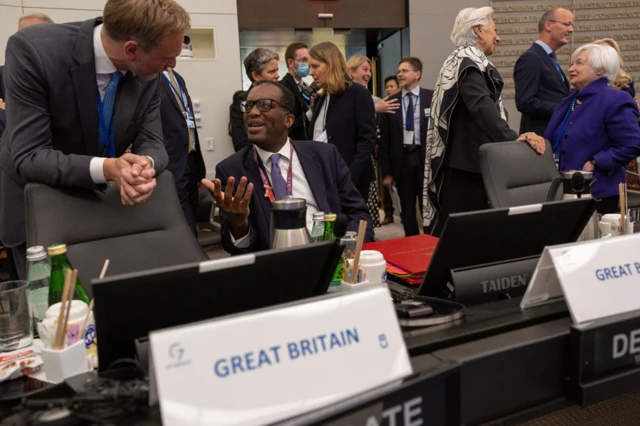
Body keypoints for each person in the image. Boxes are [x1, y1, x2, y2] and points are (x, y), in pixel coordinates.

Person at [0, 0, 187, 278]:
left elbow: (153, 141)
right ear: (132, 49)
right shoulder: (34, 52)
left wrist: (142, 166)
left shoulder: (148, 72)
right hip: (41, 205)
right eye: (166, 58)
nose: (172, 65)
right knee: (59, 315)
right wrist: (108, 169)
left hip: (107, 209)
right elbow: (30, 156)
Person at [202, 81, 374, 255]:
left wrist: (351, 251)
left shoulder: (325, 156)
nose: (252, 113)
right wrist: (239, 223)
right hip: (275, 269)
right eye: (248, 106)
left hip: (331, 258)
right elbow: (237, 248)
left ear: (288, 120)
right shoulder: (232, 170)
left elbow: (357, 213)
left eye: (264, 105)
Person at [423, 7, 545, 237]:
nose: (498, 37)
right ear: (478, 31)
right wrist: (513, 137)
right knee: (464, 239)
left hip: (469, 165)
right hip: (465, 170)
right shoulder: (467, 62)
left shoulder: (465, 61)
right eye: (494, 30)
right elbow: (481, 106)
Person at [545, 44, 640, 214]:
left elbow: (632, 145)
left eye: (579, 63)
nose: (571, 68)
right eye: (572, 63)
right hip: (563, 192)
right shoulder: (568, 101)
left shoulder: (616, 100)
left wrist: (596, 162)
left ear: (600, 69)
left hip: (597, 194)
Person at [308, 42, 377, 210]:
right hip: (322, 179)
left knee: (352, 231)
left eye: (315, 66)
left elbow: (367, 140)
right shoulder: (320, 99)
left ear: (331, 64)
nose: (311, 72)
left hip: (351, 181)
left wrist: (349, 177)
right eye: (310, 67)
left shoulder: (358, 94)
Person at [380, 57, 433, 237]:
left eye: (404, 71)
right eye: (399, 71)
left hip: (425, 160)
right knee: (407, 209)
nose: (400, 74)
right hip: (401, 161)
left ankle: (430, 243)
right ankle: (411, 243)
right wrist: (386, 173)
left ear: (417, 74)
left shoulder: (432, 98)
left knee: (428, 207)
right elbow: (384, 140)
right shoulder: (390, 102)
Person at [160, 67, 206, 236]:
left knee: (192, 213)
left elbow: (188, 119)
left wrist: (200, 168)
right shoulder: (148, 77)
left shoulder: (178, 78)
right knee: (183, 220)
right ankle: (194, 259)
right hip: (171, 161)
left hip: (191, 158)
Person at [514, 8, 573, 136]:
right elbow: (525, 102)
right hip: (540, 141)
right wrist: (564, 108)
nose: (571, 30)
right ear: (548, 25)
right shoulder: (531, 58)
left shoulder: (548, 58)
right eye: (567, 24)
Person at [230, 48, 280, 152]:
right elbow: (240, 143)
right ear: (256, 75)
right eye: (272, 72)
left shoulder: (281, 97)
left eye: (277, 70)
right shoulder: (242, 101)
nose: (277, 76)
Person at [279, 42, 310, 141]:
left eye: (308, 60)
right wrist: (311, 112)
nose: (308, 64)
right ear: (291, 63)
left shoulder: (306, 87)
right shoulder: (282, 88)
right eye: (303, 60)